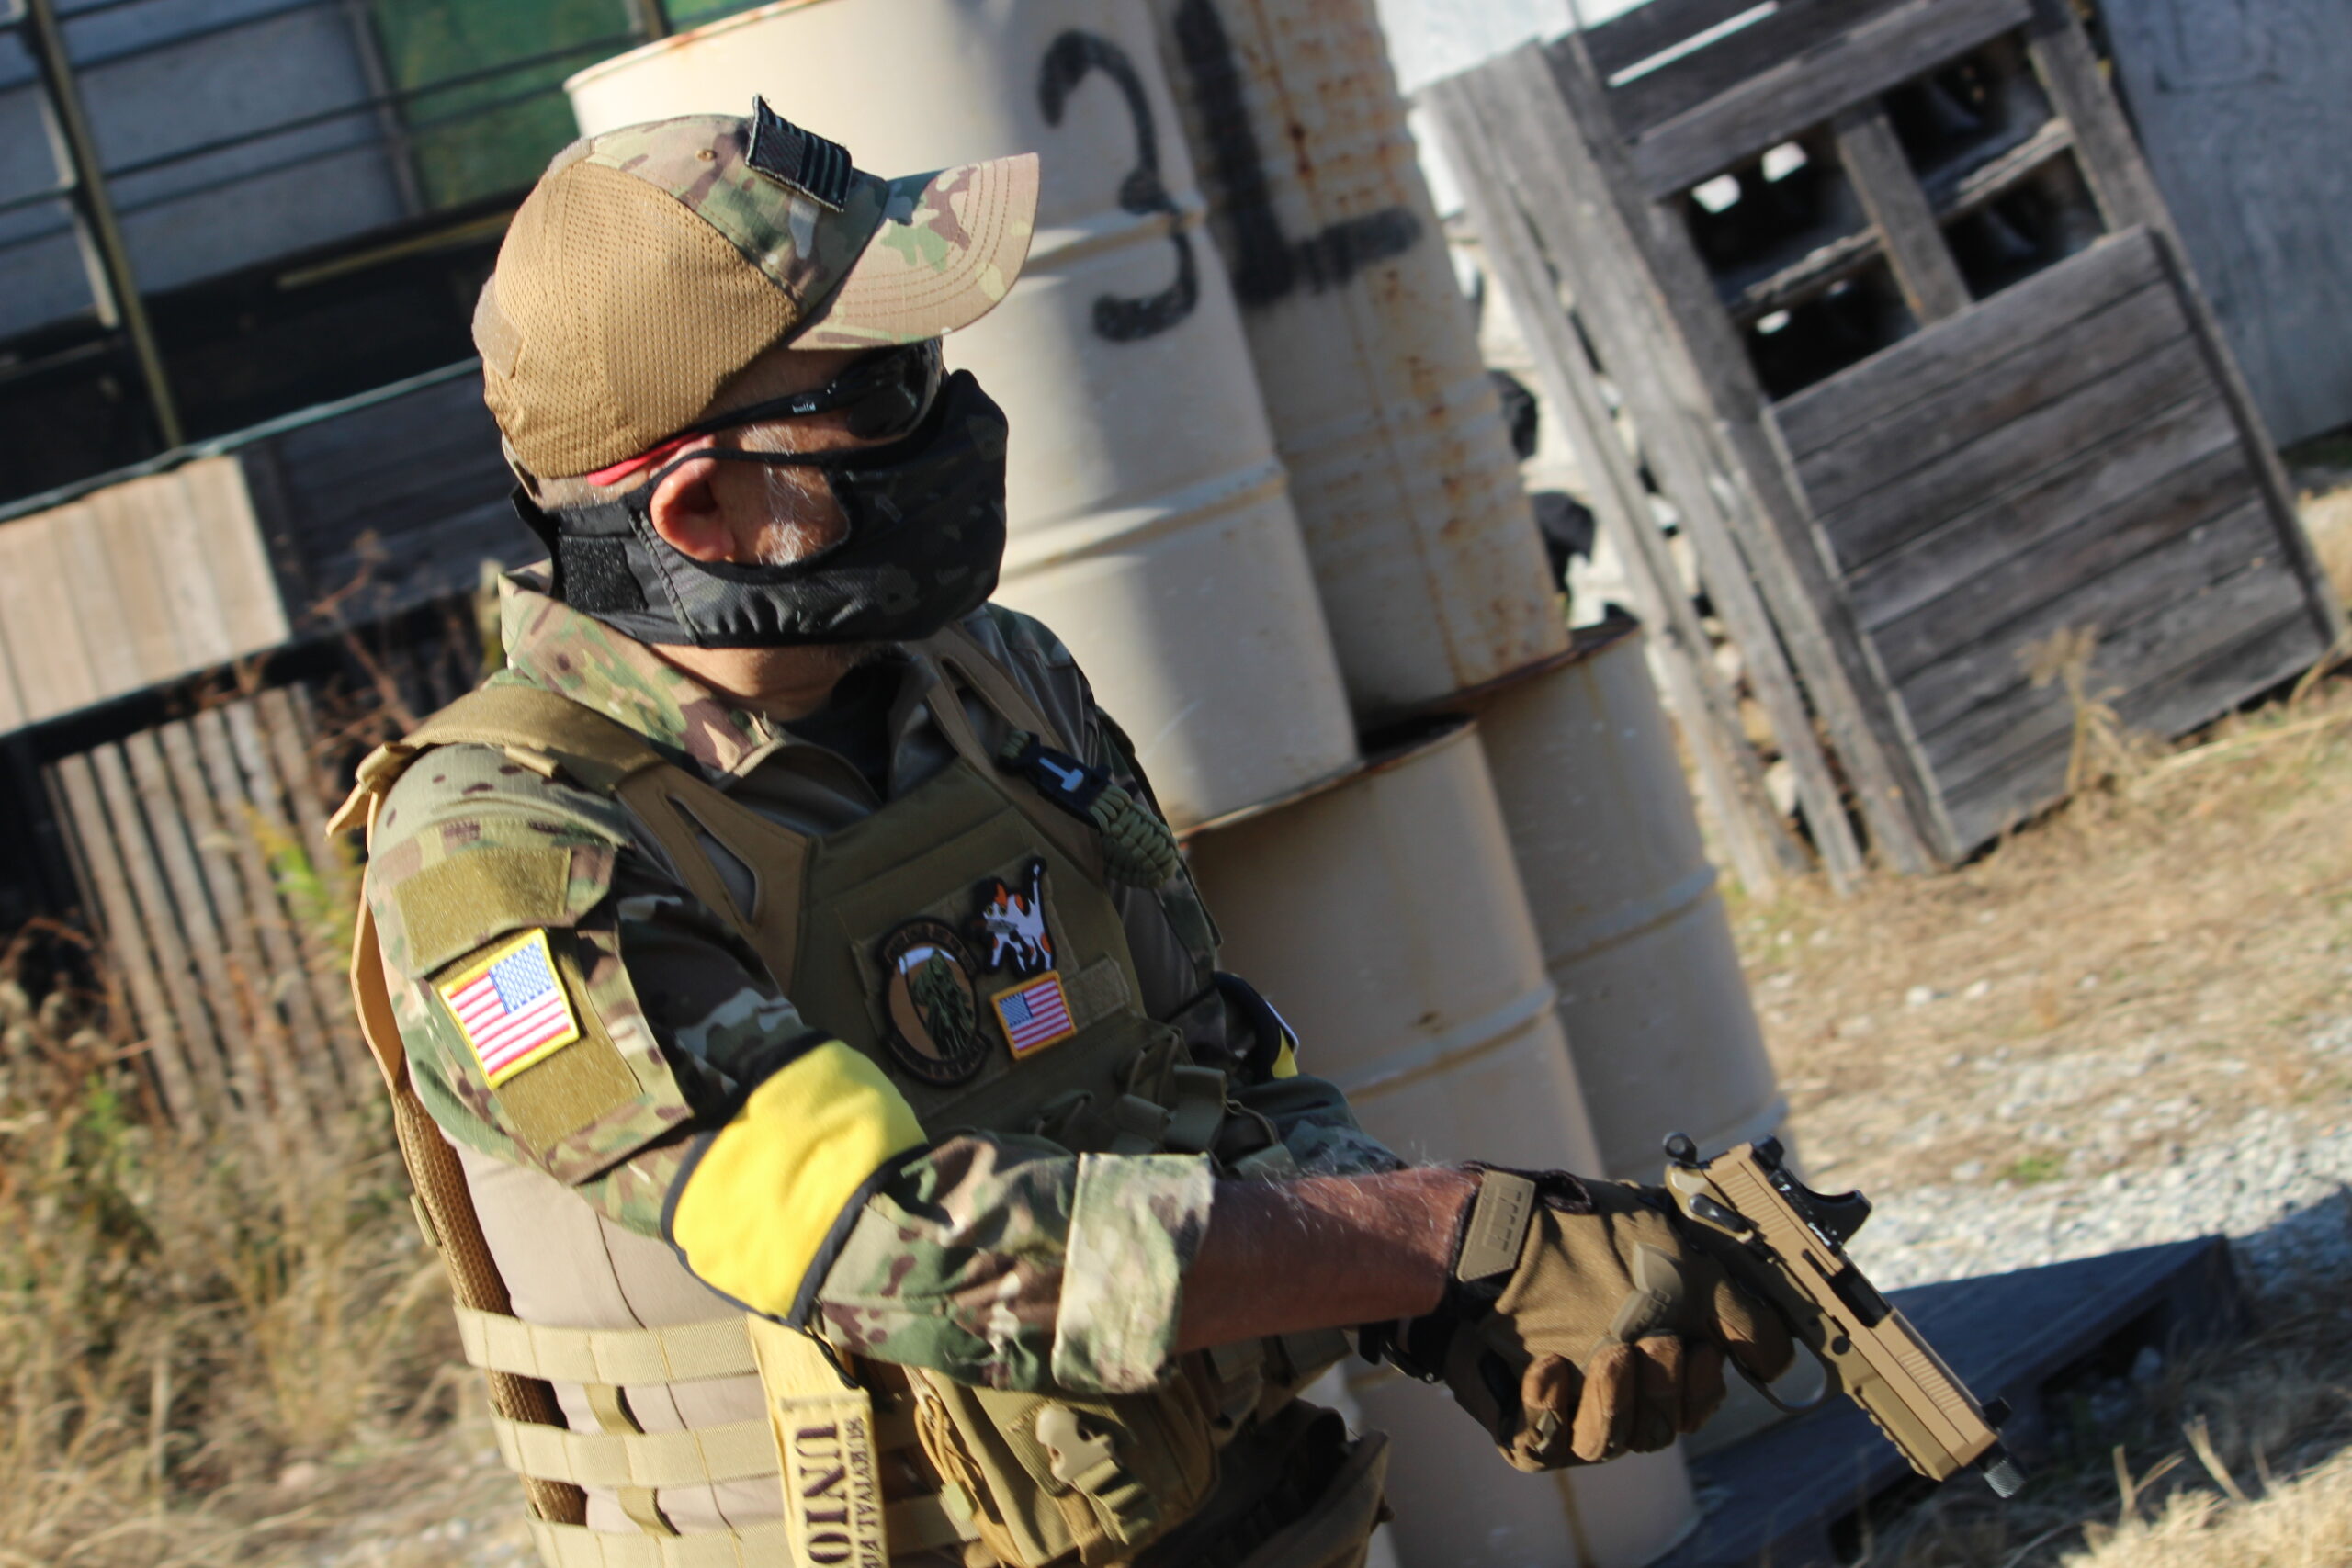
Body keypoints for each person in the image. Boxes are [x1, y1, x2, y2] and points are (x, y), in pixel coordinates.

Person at [335, 102, 1792, 1568]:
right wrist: (1435, 1236)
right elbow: (899, 1247)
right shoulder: (504, 855)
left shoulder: (995, 681)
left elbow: (1206, 1067)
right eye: (886, 389)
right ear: (703, 507)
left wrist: (1449, 1296)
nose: (955, 417)